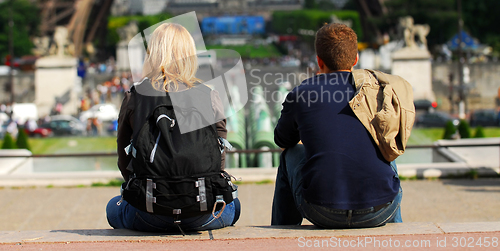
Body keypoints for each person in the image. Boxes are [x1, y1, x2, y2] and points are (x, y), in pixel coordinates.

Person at [271, 23, 414, 228]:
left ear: (319, 61)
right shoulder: (375, 90)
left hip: (321, 209)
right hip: (381, 210)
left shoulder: (301, 93)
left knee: (289, 156)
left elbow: (282, 140)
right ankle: (396, 234)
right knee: (387, 153)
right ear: (355, 59)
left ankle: (281, 231)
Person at [106, 23, 240, 232]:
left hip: (148, 212)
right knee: (234, 205)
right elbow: (218, 160)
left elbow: (124, 161)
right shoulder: (209, 95)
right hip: (203, 212)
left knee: (112, 207)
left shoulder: (134, 96)